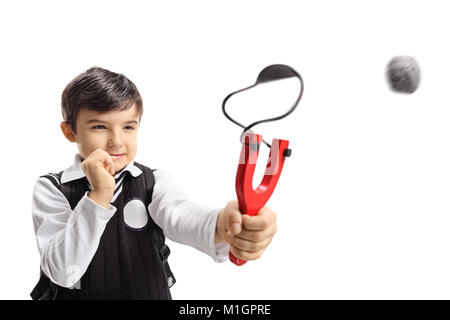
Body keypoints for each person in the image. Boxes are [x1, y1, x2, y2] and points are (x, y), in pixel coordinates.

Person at [30, 66, 278, 300]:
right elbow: (62, 271)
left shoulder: (153, 181)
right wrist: (99, 195)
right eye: (99, 126)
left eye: (128, 127)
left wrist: (222, 225)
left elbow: (181, 214)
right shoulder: (53, 189)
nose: (116, 142)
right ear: (70, 132)